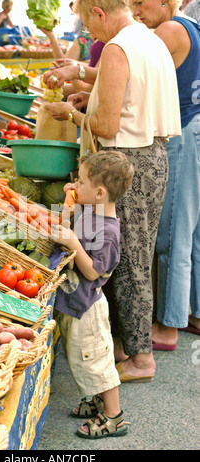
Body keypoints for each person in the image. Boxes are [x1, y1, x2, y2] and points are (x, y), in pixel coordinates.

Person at [42, 0, 181, 382]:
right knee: (135, 255)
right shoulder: (146, 37)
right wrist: (86, 86)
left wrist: (69, 114)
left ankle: (140, 358)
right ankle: (124, 346)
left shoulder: (119, 47)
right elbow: (123, 91)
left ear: (99, 13)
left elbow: (104, 125)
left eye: (87, 23)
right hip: (153, 155)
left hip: (128, 161)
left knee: (130, 260)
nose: (88, 32)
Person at [52, 150, 134, 439]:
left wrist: (73, 241)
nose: (75, 184)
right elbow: (62, 228)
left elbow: (93, 273)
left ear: (99, 193)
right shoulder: (89, 213)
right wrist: (68, 202)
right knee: (79, 357)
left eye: (81, 181)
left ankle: (114, 417)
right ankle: (94, 399)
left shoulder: (109, 231)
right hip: (74, 302)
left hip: (89, 307)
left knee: (97, 361)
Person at [132, 1, 200, 348]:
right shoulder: (190, 26)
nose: (134, 10)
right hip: (196, 130)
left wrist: (81, 77)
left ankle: (168, 326)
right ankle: (193, 314)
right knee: (194, 232)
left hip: (184, 132)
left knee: (173, 235)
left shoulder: (168, 30)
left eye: (138, 3)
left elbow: (136, 76)